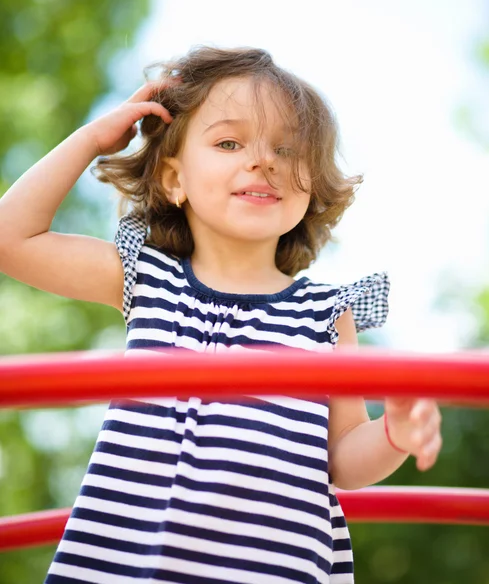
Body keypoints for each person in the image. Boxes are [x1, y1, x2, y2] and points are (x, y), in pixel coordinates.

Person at [0, 46, 442, 584]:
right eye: (230, 142)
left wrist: (394, 434)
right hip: (122, 569)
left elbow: (345, 460)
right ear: (173, 180)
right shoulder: (146, 277)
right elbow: (11, 240)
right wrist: (92, 140)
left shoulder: (325, 313)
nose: (263, 160)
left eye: (286, 148)